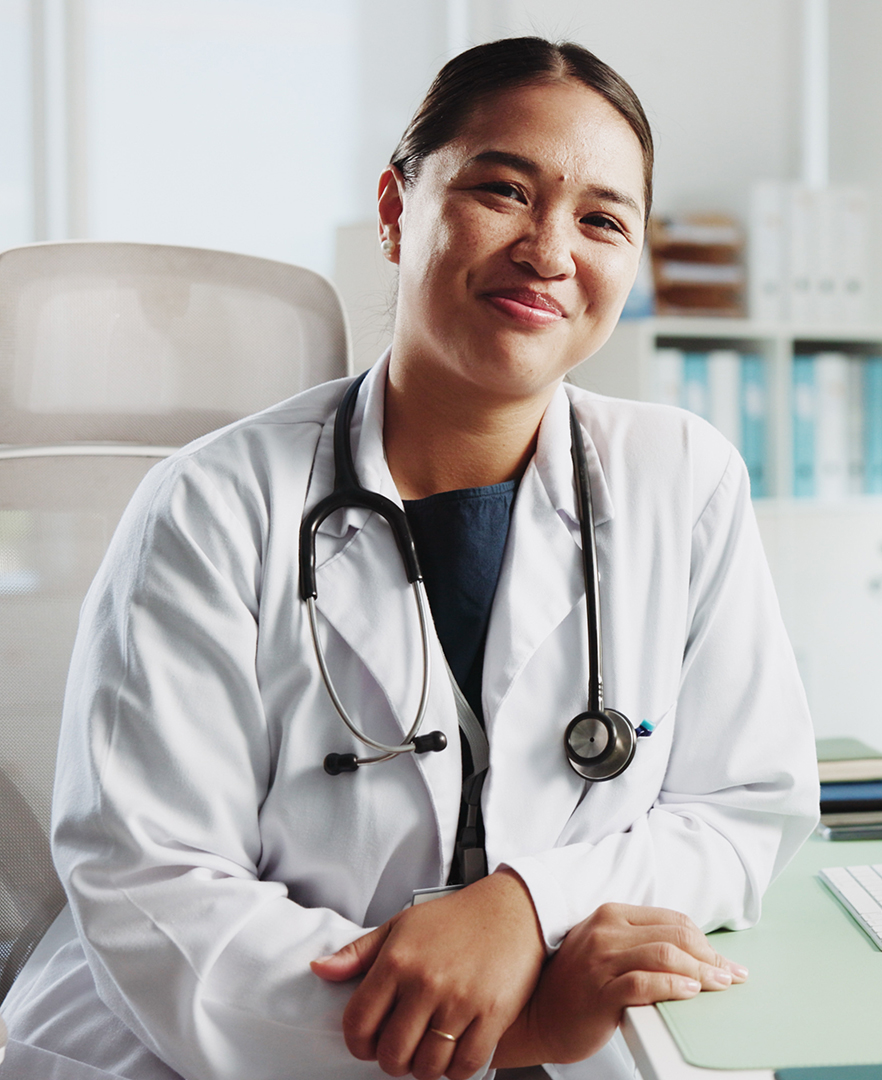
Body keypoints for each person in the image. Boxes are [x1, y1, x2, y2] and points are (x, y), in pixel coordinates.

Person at [1, 36, 818, 1080]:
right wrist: (510, 1036)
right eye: (504, 190)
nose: (550, 249)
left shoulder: (683, 479)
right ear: (396, 208)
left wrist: (524, 909)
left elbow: (742, 808)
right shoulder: (209, 506)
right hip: (231, 1054)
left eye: (602, 219)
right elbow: (154, 890)